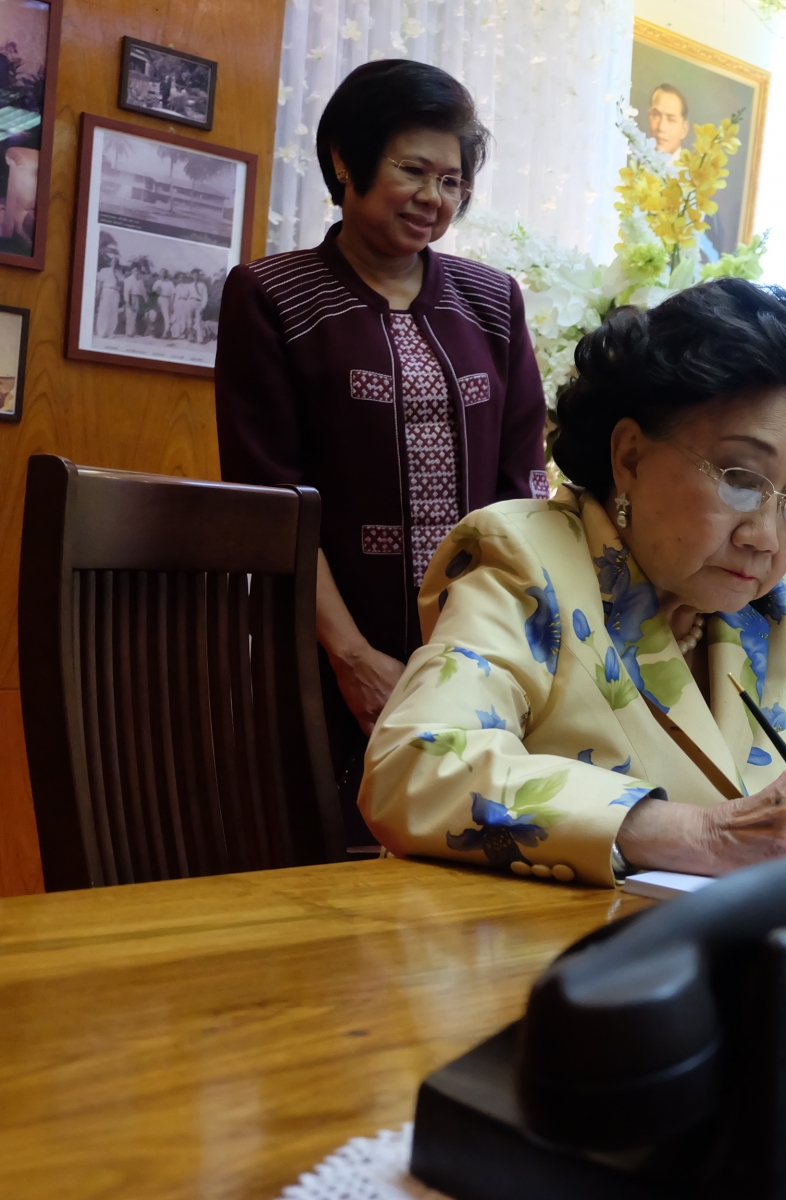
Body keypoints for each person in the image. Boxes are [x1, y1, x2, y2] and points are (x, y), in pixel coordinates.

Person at [362, 278, 786, 883]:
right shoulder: (527, 559)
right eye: (741, 480)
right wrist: (700, 834)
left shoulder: (772, 602)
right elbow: (416, 762)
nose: (765, 536)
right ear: (630, 456)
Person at [215, 60, 548, 849]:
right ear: (346, 160)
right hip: (325, 656)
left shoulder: (493, 302)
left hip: (478, 657)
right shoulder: (271, 295)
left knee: (472, 858)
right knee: (321, 863)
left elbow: (522, 492)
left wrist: (495, 647)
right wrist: (353, 657)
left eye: (452, 180)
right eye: (413, 170)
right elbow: (272, 502)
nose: (434, 197)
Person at [646, 83, 690, 156]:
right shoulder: (637, 161)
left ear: (684, 130)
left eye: (671, 120)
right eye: (656, 115)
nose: (661, 127)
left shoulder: (695, 164)